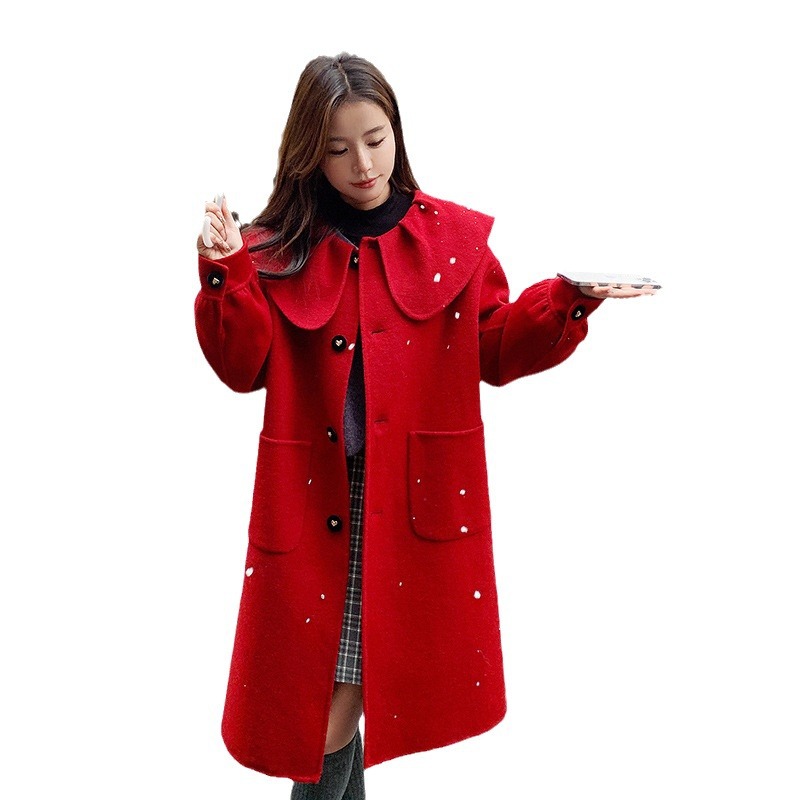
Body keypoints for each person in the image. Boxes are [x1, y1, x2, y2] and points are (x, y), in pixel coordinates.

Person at [194, 52, 654, 799]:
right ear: (310, 154)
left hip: (409, 507)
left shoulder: (450, 239)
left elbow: (494, 348)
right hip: (314, 504)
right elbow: (241, 367)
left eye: (375, 139)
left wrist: (565, 299)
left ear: (397, 133)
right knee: (324, 705)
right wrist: (227, 275)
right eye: (338, 149)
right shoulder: (274, 247)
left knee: (342, 702)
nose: (363, 164)